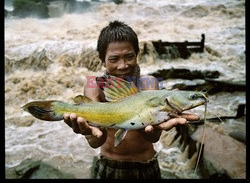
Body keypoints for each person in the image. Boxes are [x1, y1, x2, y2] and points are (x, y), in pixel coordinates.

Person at [63, 20, 200, 179]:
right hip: (108, 166)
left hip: (145, 167)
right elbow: (96, 141)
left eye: (129, 56)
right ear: (102, 60)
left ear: (137, 54)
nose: (123, 66)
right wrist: (88, 132)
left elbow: (153, 137)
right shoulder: (94, 85)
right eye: (114, 59)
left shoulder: (148, 83)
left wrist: (153, 127)